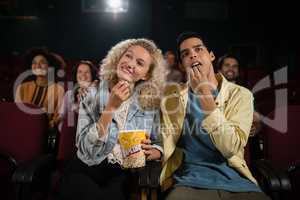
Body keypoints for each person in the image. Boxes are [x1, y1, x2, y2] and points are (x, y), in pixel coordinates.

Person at [160, 32, 270, 200]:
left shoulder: (241, 95)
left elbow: (230, 147)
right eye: (185, 54)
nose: (193, 55)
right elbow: (164, 136)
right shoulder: (172, 97)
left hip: (237, 182)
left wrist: (205, 95)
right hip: (189, 181)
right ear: (182, 66)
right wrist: (155, 148)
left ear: (211, 56)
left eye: (198, 49)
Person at [58, 38, 166, 200]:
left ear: (146, 75)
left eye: (139, 63)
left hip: (122, 172)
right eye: (128, 56)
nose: (130, 64)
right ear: (118, 58)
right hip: (87, 166)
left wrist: (157, 151)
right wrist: (110, 109)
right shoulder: (91, 94)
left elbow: (158, 142)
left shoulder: (149, 104)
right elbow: (86, 149)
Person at [15, 47, 65, 129]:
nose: (37, 65)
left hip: (44, 133)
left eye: (42, 62)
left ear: (50, 66)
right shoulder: (22, 88)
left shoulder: (58, 90)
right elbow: (17, 114)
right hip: (22, 129)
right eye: (34, 63)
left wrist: (43, 127)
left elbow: (57, 116)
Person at [217, 54, 262, 136]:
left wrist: (256, 128)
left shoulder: (245, 93)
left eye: (235, 66)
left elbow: (257, 120)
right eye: (227, 65)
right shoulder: (211, 90)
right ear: (219, 70)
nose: (231, 69)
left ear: (238, 72)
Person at [58, 60, 98, 130]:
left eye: (87, 72)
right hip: (70, 132)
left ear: (92, 75)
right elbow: (61, 117)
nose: (83, 75)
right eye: (80, 72)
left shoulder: (98, 94)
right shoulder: (69, 94)